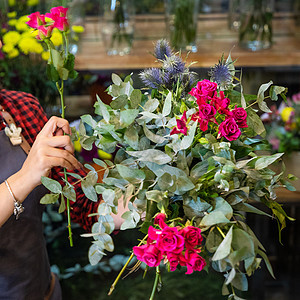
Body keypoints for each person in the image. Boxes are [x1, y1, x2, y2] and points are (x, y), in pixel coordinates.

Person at [0, 40, 107, 299]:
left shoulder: (20, 108)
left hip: (41, 291)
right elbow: (29, 174)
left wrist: (137, 197)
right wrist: (26, 176)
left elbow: (82, 202)